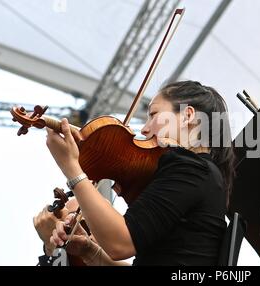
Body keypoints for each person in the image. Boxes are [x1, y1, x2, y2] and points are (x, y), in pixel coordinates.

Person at [46, 80, 235, 266]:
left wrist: (71, 167)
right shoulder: (203, 174)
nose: (145, 129)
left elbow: (120, 244)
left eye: (153, 114)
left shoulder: (192, 169)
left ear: (187, 115)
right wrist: (91, 252)